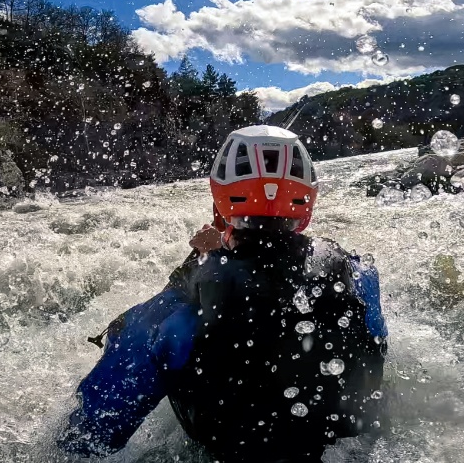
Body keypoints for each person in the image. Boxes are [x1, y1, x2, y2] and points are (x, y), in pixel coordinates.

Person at [57, 126, 388, 462]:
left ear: (220, 203)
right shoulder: (358, 273)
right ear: (306, 204)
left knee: (166, 340)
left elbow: (95, 427)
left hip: (228, 452)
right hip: (351, 451)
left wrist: (200, 260)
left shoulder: (184, 305)